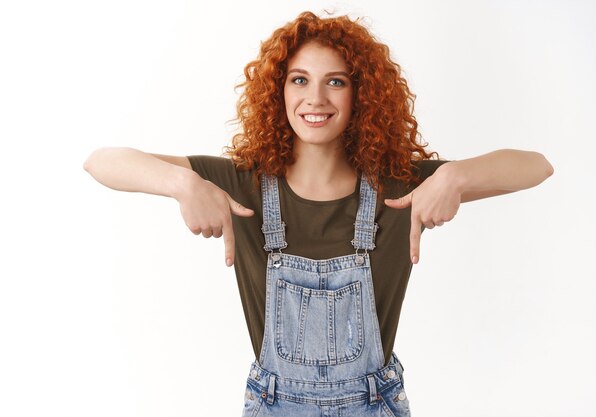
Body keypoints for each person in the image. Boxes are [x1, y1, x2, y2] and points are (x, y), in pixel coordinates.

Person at [84, 10, 553, 417]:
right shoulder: (243, 183)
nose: (316, 99)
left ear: (361, 95)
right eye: (300, 79)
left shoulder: (398, 186)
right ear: (279, 90)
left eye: (336, 81)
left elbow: (536, 166)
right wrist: (182, 183)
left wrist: (454, 177)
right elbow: (101, 161)